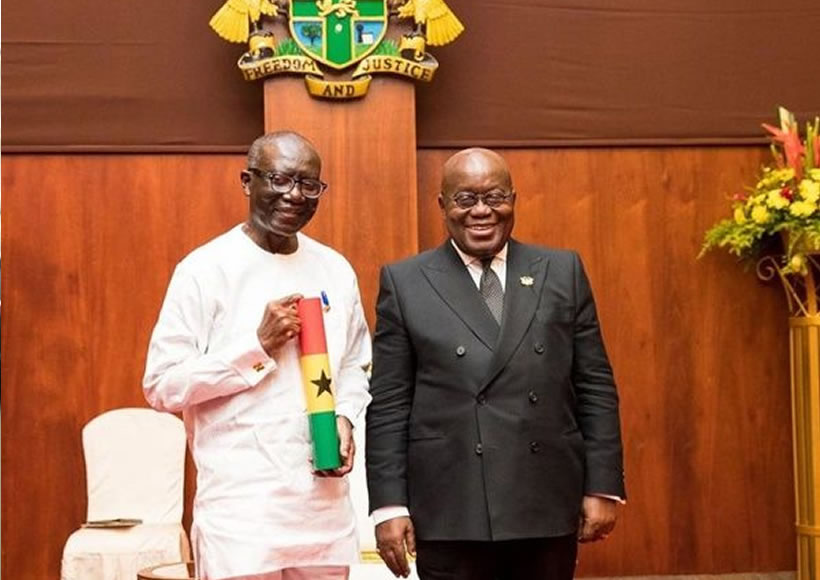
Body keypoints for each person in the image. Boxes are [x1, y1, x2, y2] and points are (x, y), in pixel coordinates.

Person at [365, 148, 625, 580]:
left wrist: (603, 484)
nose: (481, 211)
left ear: (514, 199)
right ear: (443, 205)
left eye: (495, 196)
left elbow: (595, 384)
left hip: (542, 501)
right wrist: (389, 505)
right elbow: (390, 403)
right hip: (451, 507)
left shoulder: (562, 271)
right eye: (465, 199)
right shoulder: (406, 281)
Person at [143, 131, 371, 580]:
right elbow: (161, 385)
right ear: (248, 181)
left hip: (322, 509)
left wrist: (344, 415)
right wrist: (256, 347)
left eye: (309, 184)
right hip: (241, 512)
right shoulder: (204, 269)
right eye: (281, 179)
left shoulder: (335, 269)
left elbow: (354, 364)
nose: (295, 195)